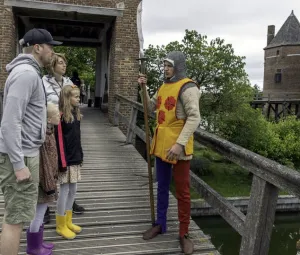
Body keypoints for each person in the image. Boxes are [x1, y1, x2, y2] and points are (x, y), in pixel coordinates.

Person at [0, 28, 61, 255]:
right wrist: (18, 164)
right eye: (50, 47)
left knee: (18, 216)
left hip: (27, 152)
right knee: (14, 221)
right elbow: (9, 122)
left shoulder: (28, 72)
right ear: (37, 48)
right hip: (22, 156)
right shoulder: (26, 74)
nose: (52, 52)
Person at [138, 51, 201, 255]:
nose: (165, 68)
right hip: (162, 144)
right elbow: (150, 107)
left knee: (182, 193)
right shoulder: (164, 86)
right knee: (162, 187)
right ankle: (160, 224)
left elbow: (194, 118)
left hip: (178, 147)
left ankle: (184, 234)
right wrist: (143, 88)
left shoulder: (188, 87)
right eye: (164, 65)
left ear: (178, 66)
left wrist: (180, 144)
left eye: (169, 65)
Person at [42, 54, 85, 224]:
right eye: (60, 63)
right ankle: (44, 207)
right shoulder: (44, 82)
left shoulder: (68, 82)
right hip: (51, 125)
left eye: (65, 63)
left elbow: (73, 96)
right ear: (52, 65)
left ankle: (68, 208)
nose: (64, 65)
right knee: (49, 170)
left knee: (69, 183)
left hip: (67, 120)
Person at [26, 103, 60, 255]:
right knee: (38, 213)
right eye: (57, 115)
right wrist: (49, 182)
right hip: (43, 180)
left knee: (42, 210)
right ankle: (33, 246)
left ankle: (38, 242)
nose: (60, 115)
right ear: (50, 118)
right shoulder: (44, 137)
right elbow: (45, 161)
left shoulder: (49, 132)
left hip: (49, 177)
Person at [55, 85, 83, 239]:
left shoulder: (76, 115)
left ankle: (68, 221)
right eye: (76, 97)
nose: (79, 99)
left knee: (73, 191)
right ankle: (60, 224)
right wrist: (62, 163)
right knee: (64, 191)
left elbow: (77, 138)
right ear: (67, 98)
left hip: (75, 158)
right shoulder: (60, 117)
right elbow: (60, 142)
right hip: (66, 161)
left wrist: (81, 155)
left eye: (79, 97)